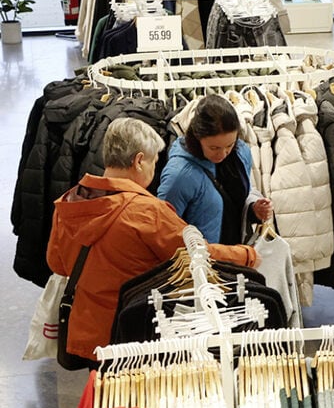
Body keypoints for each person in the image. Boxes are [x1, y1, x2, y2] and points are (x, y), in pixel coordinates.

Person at [46, 118, 258, 364]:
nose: (154, 170)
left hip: (88, 331)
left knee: (105, 398)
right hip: (137, 334)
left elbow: (57, 264)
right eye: (154, 162)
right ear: (138, 161)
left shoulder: (69, 203)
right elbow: (197, 256)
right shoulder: (147, 213)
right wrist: (246, 256)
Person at [158, 95, 273, 245]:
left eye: (229, 145)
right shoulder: (179, 174)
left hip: (237, 257)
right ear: (197, 138)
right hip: (202, 263)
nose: (223, 154)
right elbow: (164, 230)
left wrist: (253, 210)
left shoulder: (241, 152)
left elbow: (236, 201)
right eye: (214, 148)